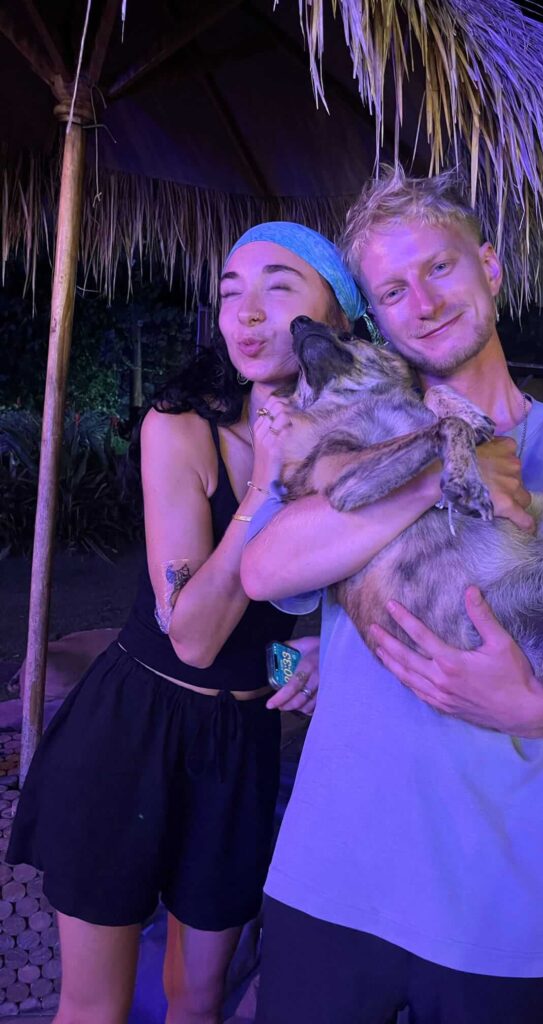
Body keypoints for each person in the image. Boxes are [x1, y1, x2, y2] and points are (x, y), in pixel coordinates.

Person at [240, 170, 543, 1024]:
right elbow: (266, 575)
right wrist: (312, 657)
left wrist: (538, 711)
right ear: (376, 318)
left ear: (490, 270)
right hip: (329, 878)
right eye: (391, 289)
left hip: (499, 909)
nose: (420, 302)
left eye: (439, 269)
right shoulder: (361, 438)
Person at [7, 222, 365, 1024]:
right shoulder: (180, 429)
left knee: (196, 1001)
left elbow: (291, 620)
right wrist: (266, 491)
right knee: (95, 1009)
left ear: (339, 319)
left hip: (238, 750)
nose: (247, 312)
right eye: (232, 292)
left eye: (279, 288)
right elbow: (196, 637)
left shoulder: (358, 450)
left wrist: (302, 657)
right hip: (134, 733)